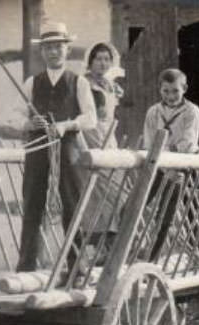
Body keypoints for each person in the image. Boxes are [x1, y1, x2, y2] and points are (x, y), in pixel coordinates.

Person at [10, 21, 97, 272]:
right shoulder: (31, 83)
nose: (53, 52)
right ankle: (26, 265)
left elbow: (90, 119)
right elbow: (12, 117)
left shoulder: (78, 82)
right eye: (48, 47)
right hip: (37, 146)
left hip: (68, 146)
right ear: (42, 52)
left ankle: (77, 264)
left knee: (72, 202)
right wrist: (29, 122)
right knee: (32, 203)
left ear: (67, 50)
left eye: (58, 47)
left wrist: (66, 125)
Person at [141, 68, 199, 259]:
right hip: (157, 166)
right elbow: (149, 141)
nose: (170, 96)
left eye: (175, 91)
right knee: (133, 206)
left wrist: (170, 159)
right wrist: (160, 161)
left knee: (165, 215)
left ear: (184, 88)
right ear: (160, 89)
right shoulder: (153, 112)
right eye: (166, 91)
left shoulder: (191, 111)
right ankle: (134, 248)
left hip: (177, 167)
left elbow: (187, 141)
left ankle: (154, 257)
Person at [81, 43, 125, 255]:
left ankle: (112, 247)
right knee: (98, 195)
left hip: (110, 140)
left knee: (117, 195)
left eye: (107, 59)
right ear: (90, 62)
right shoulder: (85, 84)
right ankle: (100, 248)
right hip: (93, 138)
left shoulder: (110, 85)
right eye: (98, 58)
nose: (102, 63)